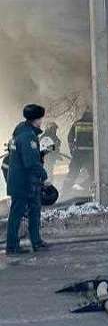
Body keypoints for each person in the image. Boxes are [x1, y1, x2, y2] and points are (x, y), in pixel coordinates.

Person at [5, 104, 48, 254]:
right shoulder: (27, 136)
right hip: (23, 182)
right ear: (35, 119)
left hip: (26, 181)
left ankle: (36, 241)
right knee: (18, 213)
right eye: (41, 118)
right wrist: (44, 176)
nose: (42, 121)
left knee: (34, 211)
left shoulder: (22, 131)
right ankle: (12, 246)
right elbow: (30, 162)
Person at [67, 110, 94, 181]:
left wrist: (71, 150)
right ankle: (90, 189)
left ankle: (65, 190)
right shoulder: (95, 124)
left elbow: (70, 138)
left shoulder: (76, 123)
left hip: (78, 153)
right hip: (90, 154)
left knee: (73, 173)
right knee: (94, 174)